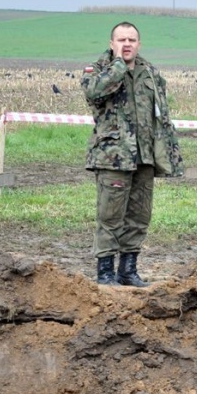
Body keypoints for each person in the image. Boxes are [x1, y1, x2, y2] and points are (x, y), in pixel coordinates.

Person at [80, 21, 182, 287]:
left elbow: (162, 115)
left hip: (144, 157)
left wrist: (167, 153)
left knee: (139, 217)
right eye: (122, 40)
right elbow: (95, 92)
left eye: (132, 40)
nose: (127, 45)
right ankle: (105, 274)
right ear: (112, 43)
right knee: (111, 217)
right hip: (113, 157)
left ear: (139, 44)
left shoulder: (150, 73)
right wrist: (117, 65)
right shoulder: (98, 70)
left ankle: (128, 271)